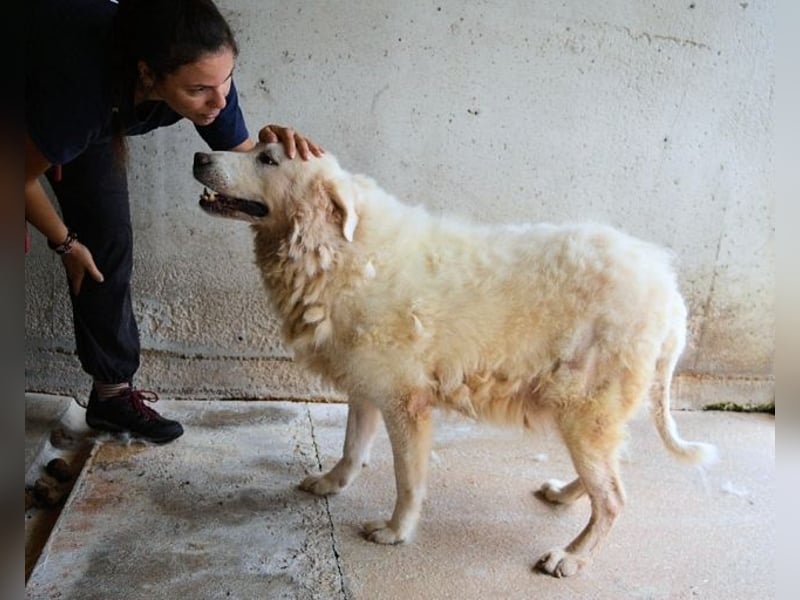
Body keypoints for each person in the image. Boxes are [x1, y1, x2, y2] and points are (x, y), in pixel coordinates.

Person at [25, 0, 323, 444]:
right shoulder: (81, 93)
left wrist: (276, 157)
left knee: (107, 244)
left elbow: (241, 163)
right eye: (200, 89)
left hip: (89, 114)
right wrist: (65, 244)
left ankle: (111, 397)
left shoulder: (208, 80)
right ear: (148, 74)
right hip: (35, 84)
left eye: (227, 80)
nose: (219, 100)